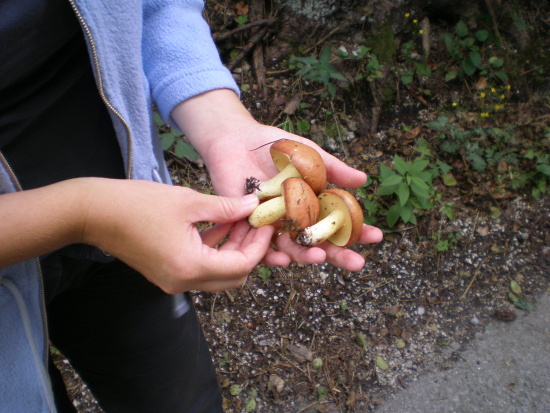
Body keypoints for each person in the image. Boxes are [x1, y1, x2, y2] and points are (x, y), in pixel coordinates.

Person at [0, 0, 383, 412]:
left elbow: (158, 7)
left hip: (137, 211)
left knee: (183, 401)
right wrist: (86, 213)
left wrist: (222, 122)